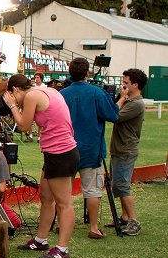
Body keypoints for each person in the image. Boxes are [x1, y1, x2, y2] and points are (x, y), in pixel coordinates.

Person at [3, 74, 79, 258]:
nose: (16, 101)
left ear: (15, 90)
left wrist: (13, 106)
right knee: (46, 197)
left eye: (12, 96)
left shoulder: (31, 96)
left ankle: (62, 249)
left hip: (60, 153)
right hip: (57, 151)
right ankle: (41, 240)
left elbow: (23, 125)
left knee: (64, 202)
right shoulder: (48, 90)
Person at [60, 58, 119, 240]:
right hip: (90, 149)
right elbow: (112, 115)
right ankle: (93, 227)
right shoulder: (97, 93)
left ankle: (62, 224)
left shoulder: (62, 94)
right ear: (87, 73)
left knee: (62, 191)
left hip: (65, 148)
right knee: (92, 189)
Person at [109, 68, 147, 236]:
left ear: (135, 85)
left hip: (125, 150)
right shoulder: (129, 101)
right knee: (117, 185)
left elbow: (114, 115)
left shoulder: (136, 103)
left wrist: (123, 97)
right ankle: (124, 218)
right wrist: (123, 97)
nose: (122, 86)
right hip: (120, 149)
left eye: (126, 83)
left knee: (122, 186)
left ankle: (133, 221)